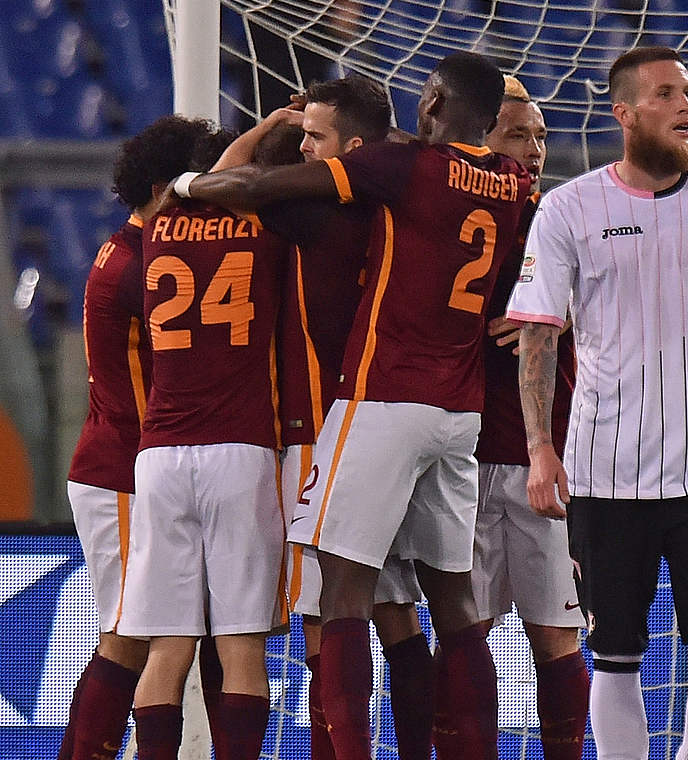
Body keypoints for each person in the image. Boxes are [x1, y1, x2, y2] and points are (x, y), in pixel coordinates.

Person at [169, 51, 532, 760]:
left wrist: (182, 184)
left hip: (382, 398)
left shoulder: (399, 174)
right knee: (453, 604)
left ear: (430, 98)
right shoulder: (511, 184)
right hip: (460, 415)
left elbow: (255, 185)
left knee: (342, 595)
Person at [506, 46, 688, 760]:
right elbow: (538, 337)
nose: (686, 105)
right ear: (625, 113)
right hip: (604, 470)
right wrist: (541, 449)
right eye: (666, 94)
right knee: (615, 651)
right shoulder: (570, 207)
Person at [210, 74, 436, 760]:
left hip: (322, 436)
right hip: (405, 425)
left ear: (351, 150)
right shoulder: (409, 206)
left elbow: (226, 181)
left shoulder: (310, 215)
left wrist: (268, 130)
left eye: (317, 136)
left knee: (324, 626)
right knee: (401, 617)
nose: (306, 147)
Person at [118, 129, 294, 760]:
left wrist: (258, 130)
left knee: (166, 649)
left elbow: (216, 178)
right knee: (243, 647)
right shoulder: (267, 232)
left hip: (160, 455)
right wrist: (275, 127)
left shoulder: (159, 230)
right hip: (239, 451)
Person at [58, 115, 218, 760]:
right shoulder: (140, 264)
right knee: (134, 633)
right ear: (165, 185)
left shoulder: (129, 249)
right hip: (123, 468)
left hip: (123, 462)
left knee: (155, 633)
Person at [473, 74, 589, 760]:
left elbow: (632, 309)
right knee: (466, 631)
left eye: (542, 136)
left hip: (551, 460)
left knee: (556, 636)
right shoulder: (458, 221)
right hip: (466, 454)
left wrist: (568, 311)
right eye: (518, 134)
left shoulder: (568, 222)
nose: (535, 149)